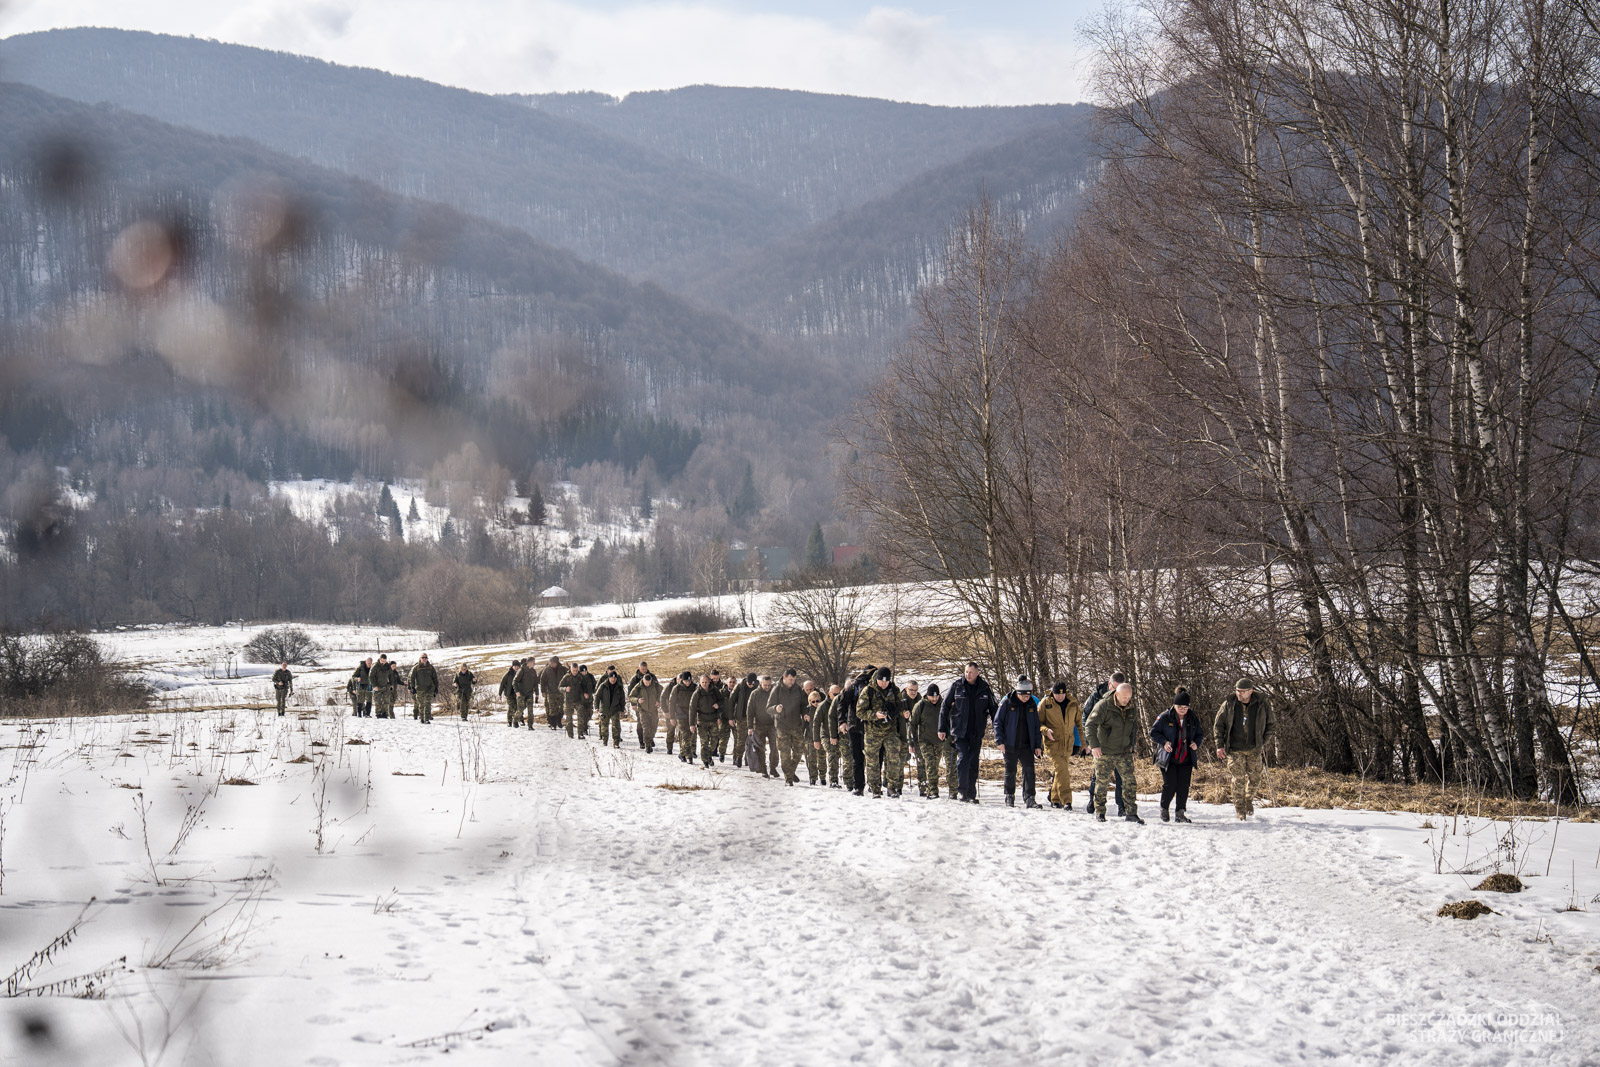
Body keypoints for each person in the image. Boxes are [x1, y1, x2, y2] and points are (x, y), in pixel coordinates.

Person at [1214, 676, 1273, 820]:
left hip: (1254, 749)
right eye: (1237, 690)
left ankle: (1248, 799)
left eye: (1242, 691)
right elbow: (1218, 726)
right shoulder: (1229, 704)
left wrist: (1262, 742)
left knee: (1255, 779)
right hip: (1234, 749)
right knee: (1238, 779)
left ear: (1250, 691)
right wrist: (1220, 745)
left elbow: (1271, 724)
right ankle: (1240, 809)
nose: (1238, 693)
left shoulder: (1262, 703)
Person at [939, 662, 997, 803]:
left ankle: (971, 793)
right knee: (963, 759)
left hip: (976, 731)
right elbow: (945, 707)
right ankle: (962, 792)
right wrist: (942, 728)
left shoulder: (984, 688)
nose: (968, 675)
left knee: (973, 762)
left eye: (971, 672)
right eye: (966, 672)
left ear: (977, 673)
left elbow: (994, 709)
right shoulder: (957, 686)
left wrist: (998, 730)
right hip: (960, 731)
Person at [1086, 681, 1144, 824]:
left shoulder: (1131, 707)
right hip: (1104, 752)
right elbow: (1089, 725)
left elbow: (1132, 727)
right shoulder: (1103, 705)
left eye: (1129, 697)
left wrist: (1131, 744)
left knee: (1130, 782)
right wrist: (1094, 746)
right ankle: (1100, 811)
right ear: (1116, 694)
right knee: (1102, 783)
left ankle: (1131, 812)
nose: (1127, 700)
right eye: (1124, 697)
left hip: (1124, 752)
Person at [1152, 687, 1204, 822]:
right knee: (1170, 785)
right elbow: (1153, 732)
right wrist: (1164, 742)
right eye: (1180, 707)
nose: (1182, 710)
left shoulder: (1192, 718)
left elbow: (1199, 734)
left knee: (1183, 786)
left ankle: (1180, 813)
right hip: (1169, 758)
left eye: (1185, 707)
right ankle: (1164, 809)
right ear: (1174, 705)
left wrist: (1196, 743)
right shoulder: (1165, 717)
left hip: (1186, 757)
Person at [994, 677, 1043, 808]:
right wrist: (1000, 741)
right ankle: (1009, 796)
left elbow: (1036, 726)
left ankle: (1030, 798)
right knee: (1010, 771)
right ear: (1018, 692)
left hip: (1027, 745)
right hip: (1010, 743)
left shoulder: (1032, 704)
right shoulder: (1007, 703)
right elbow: (998, 722)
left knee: (1029, 771)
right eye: (1024, 695)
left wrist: (1038, 745)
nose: (1026, 698)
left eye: (1028, 695)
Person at [1084, 671, 1128, 815]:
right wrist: (1090, 742)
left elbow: (1132, 723)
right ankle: (1094, 800)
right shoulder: (1096, 697)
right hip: (1100, 742)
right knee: (1098, 774)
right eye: (1114, 688)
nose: (1117, 692)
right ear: (1109, 684)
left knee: (1121, 775)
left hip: (1119, 743)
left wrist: (1130, 743)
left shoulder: (1125, 698)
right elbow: (1086, 719)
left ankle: (1121, 805)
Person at [860, 667, 907, 797]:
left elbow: (900, 706)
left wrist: (904, 713)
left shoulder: (894, 690)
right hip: (872, 732)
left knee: (894, 759)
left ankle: (891, 787)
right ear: (877, 679)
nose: (884, 684)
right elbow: (860, 712)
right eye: (881, 681)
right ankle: (875, 789)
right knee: (872, 762)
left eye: (886, 681)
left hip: (890, 731)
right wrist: (875, 715)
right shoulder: (868, 691)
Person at [1038, 681, 1082, 810]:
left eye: (1062, 694)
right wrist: (1046, 731)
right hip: (1052, 744)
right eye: (1058, 694)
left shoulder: (1072, 703)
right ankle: (1067, 800)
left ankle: (1054, 799)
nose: (1060, 697)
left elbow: (1079, 725)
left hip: (1067, 744)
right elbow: (1038, 723)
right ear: (1053, 693)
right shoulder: (1045, 704)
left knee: (1060, 772)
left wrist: (1082, 744)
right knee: (1063, 770)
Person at [908, 683, 949, 798]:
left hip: (938, 741)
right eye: (932, 696)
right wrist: (912, 742)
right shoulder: (920, 705)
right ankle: (932, 791)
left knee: (934, 766)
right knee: (929, 764)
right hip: (924, 741)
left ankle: (926, 786)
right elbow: (912, 725)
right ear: (928, 695)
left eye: (936, 696)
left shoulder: (943, 705)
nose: (934, 699)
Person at [769, 670, 809, 785]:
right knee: (785, 754)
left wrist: (805, 713)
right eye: (790, 679)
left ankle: (790, 772)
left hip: (796, 726)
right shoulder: (777, 689)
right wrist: (776, 708)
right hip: (782, 726)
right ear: (784, 677)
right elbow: (768, 707)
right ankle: (789, 779)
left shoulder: (798, 690)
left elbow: (804, 705)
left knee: (798, 752)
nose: (792, 682)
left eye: (794, 679)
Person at [689, 671, 726, 768]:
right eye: (703, 682)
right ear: (700, 683)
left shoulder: (714, 690)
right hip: (702, 720)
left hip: (713, 719)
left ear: (709, 682)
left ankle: (709, 755)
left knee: (714, 741)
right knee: (704, 742)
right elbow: (692, 709)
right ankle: (705, 761)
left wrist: (718, 705)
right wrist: (691, 724)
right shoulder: (697, 693)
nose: (704, 684)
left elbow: (722, 700)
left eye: (706, 682)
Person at [746, 675, 779, 777]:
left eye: (769, 685)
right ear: (761, 684)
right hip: (759, 725)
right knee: (761, 748)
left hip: (772, 725)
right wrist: (750, 726)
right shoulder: (755, 694)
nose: (767, 687)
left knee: (774, 747)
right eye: (765, 685)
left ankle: (773, 768)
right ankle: (763, 768)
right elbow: (750, 711)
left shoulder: (774, 692)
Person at [727, 672, 757, 767]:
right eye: (749, 683)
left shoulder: (757, 687)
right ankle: (738, 757)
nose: (750, 685)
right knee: (740, 740)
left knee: (752, 740)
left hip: (753, 718)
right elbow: (731, 702)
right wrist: (731, 718)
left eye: (752, 684)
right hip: (741, 717)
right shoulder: (739, 687)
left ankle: (747, 759)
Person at [594, 666, 628, 748]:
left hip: (615, 710)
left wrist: (622, 709)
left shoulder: (619, 687)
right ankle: (604, 741)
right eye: (611, 678)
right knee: (604, 727)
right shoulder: (603, 686)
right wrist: (596, 707)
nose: (613, 680)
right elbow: (597, 696)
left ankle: (616, 743)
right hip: (604, 709)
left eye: (614, 678)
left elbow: (622, 700)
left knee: (616, 727)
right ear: (609, 678)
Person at [663, 670, 694, 759]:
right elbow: (672, 703)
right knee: (684, 735)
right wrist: (672, 717)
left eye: (689, 680)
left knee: (689, 735)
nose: (687, 683)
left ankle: (682, 753)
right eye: (686, 681)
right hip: (680, 715)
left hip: (691, 715)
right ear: (682, 680)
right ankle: (688, 756)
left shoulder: (695, 687)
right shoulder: (676, 688)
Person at [560, 663, 596, 739]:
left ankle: (580, 734)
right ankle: (570, 735)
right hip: (569, 701)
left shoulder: (580, 677)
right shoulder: (566, 677)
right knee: (569, 719)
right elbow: (560, 687)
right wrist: (565, 689)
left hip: (578, 700)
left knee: (581, 717)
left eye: (576, 670)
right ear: (571, 669)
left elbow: (584, 686)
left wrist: (585, 692)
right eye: (573, 670)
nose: (575, 672)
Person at [629, 671, 661, 752]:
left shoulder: (656, 685)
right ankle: (648, 746)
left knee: (653, 728)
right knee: (646, 728)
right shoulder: (638, 686)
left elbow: (664, 694)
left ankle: (649, 740)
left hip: (654, 710)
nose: (647, 684)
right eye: (646, 682)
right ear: (643, 680)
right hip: (643, 710)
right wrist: (637, 700)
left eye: (649, 682)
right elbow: (631, 696)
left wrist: (659, 701)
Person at [410, 654, 440, 723]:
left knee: (427, 703)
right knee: (421, 704)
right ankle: (422, 718)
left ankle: (426, 719)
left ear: (427, 659)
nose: (424, 659)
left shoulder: (430, 667)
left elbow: (435, 678)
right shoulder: (416, 668)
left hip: (429, 688)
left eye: (425, 657)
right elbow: (412, 678)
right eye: (423, 657)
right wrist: (412, 687)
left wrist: (436, 687)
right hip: (419, 689)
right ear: (420, 658)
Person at [514, 659, 541, 730]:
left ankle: (530, 725)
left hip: (529, 693)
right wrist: (517, 691)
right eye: (533, 662)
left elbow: (535, 683)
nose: (534, 664)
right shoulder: (521, 670)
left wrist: (537, 693)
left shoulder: (533, 671)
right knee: (521, 708)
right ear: (528, 662)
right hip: (521, 693)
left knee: (530, 710)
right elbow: (515, 681)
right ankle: (515, 720)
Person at [538, 656, 565, 725]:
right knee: (552, 708)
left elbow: (570, 675)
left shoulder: (562, 669)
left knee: (561, 708)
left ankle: (558, 721)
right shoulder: (546, 670)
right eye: (550, 662)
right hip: (550, 691)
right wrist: (543, 691)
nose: (551, 664)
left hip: (560, 691)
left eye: (553, 663)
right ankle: (552, 724)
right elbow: (542, 680)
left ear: (557, 663)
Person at [498, 661, 521, 727]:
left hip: (517, 693)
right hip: (509, 693)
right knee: (511, 707)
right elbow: (502, 683)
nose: (516, 667)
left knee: (518, 707)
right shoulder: (508, 674)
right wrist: (500, 693)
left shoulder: (520, 673)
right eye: (515, 666)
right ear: (512, 666)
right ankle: (509, 721)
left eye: (517, 666)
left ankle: (518, 720)